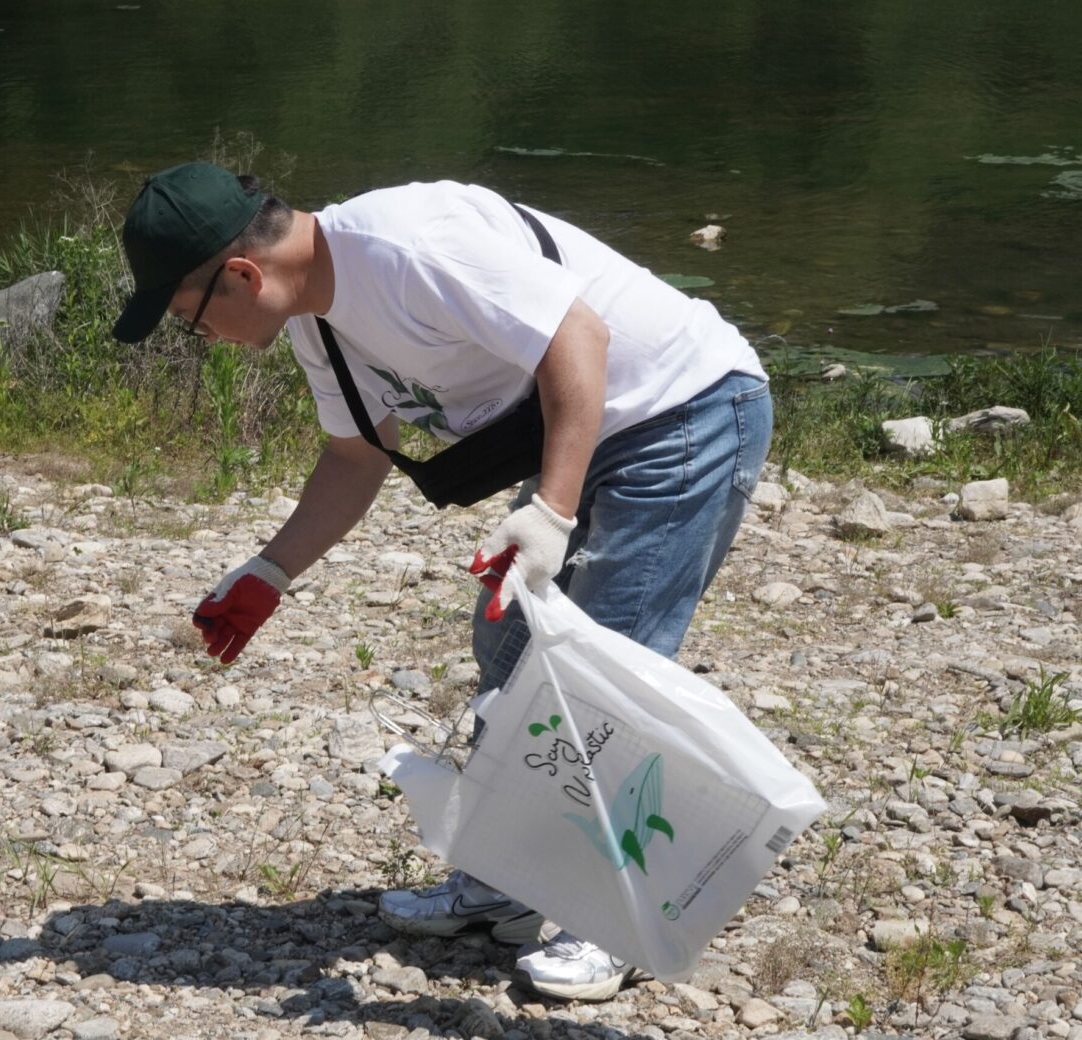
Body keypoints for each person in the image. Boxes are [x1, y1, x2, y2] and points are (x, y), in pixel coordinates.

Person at [110, 161, 772, 1001]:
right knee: (508, 641)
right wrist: (271, 572)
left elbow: (582, 340)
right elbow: (354, 458)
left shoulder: (412, 244)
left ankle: (621, 920)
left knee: (610, 667)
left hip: (685, 405)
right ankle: (512, 881)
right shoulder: (319, 321)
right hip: (587, 422)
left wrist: (554, 515)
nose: (198, 339)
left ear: (241, 275)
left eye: (188, 318)